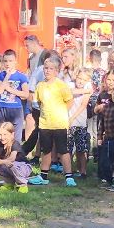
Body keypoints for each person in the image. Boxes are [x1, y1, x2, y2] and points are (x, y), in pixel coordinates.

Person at [33, 56, 75, 186]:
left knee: (63, 150)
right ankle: (43, 175)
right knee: (46, 150)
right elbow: (39, 102)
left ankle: (69, 176)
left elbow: (69, 101)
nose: (47, 71)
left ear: (57, 71)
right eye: (46, 68)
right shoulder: (40, 86)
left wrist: (61, 113)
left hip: (59, 124)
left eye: (51, 69)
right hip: (45, 123)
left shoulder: (61, 85)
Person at [0, 120, 33, 191]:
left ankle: (22, 184)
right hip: (11, 166)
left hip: (24, 167)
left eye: (5, 134)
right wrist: (4, 162)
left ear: (12, 134)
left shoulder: (15, 144)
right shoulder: (0, 145)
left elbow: (12, 158)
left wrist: (3, 161)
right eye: (0, 134)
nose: (2, 137)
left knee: (11, 164)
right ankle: (9, 183)